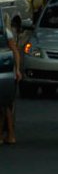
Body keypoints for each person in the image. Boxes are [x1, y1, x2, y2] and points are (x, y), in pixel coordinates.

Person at [0, 11, 21, 145]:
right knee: (5, 105)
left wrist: (17, 70)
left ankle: (6, 135)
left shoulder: (5, 33)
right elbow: (14, 51)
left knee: (5, 105)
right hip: (5, 69)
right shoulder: (5, 32)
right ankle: (8, 135)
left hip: (5, 70)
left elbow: (14, 51)